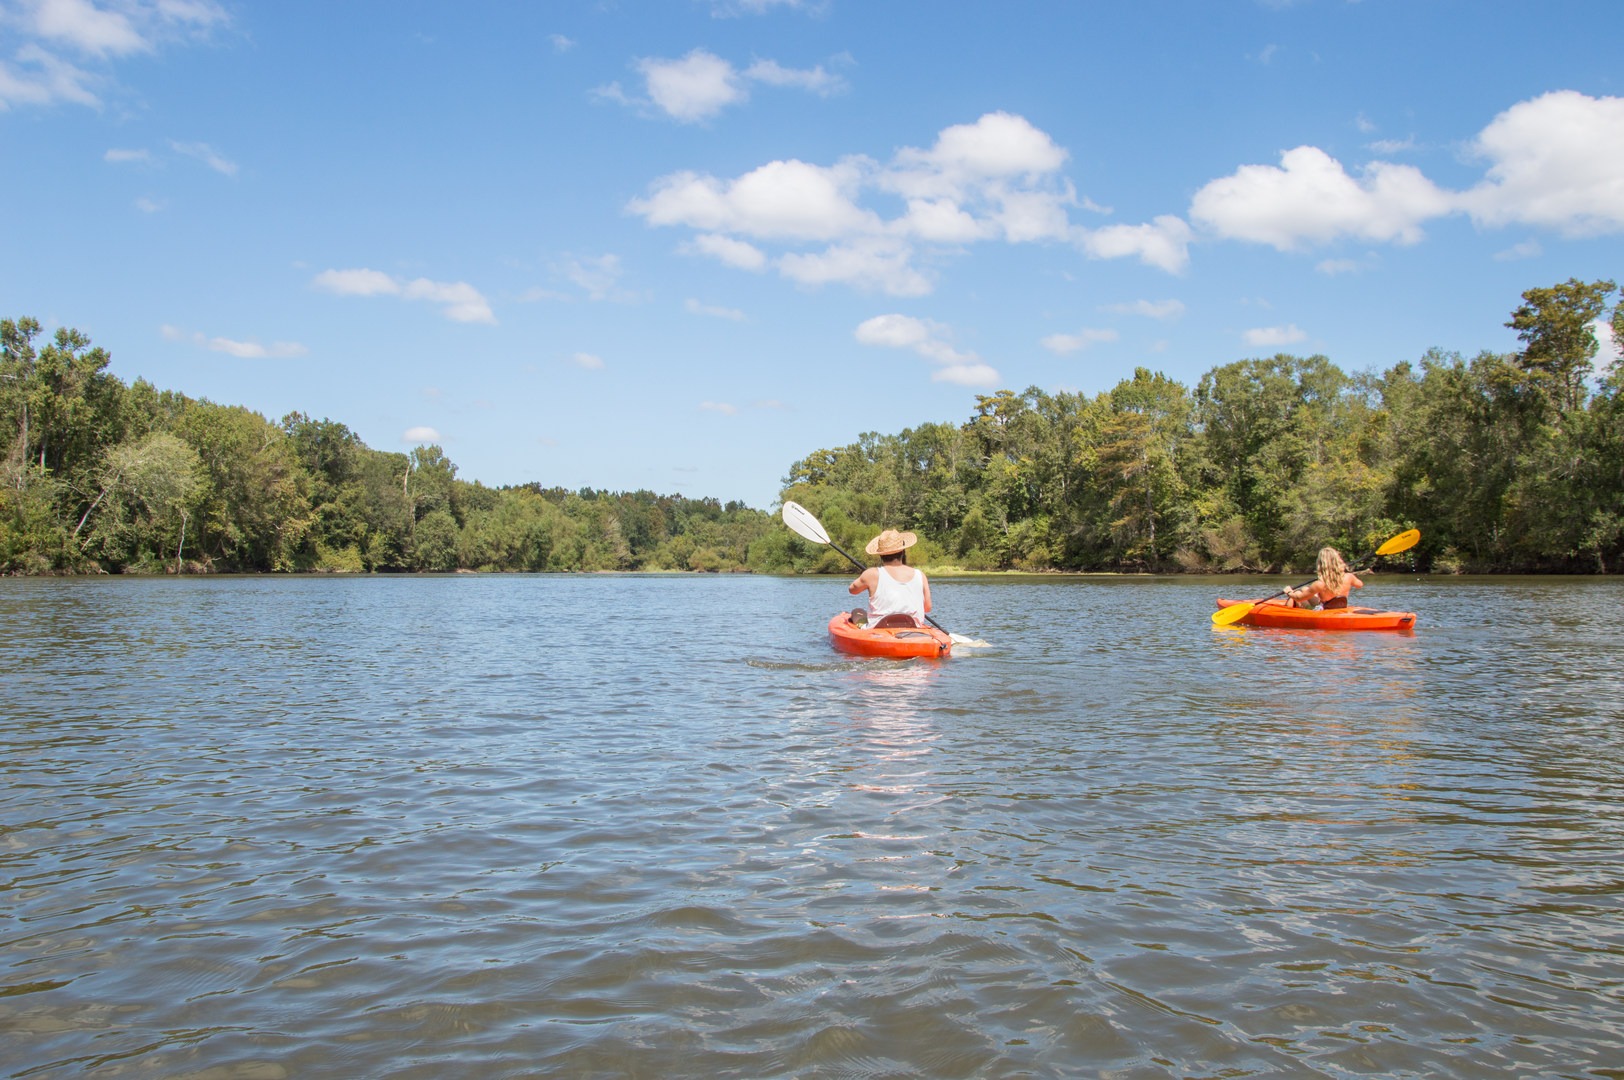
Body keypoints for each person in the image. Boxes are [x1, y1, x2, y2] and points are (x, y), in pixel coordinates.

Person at [848, 528, 932, 628]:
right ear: (903, 552)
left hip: (878, 629)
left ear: (880, 555)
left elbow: (852, 590)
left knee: (857, 611)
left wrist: (866, 579)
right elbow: (927, 608)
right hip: (913, 629)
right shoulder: (920, 575)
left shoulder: (871, 574)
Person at [1285, 546, 1364, 609]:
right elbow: (1360, 585)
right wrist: (1344, 570)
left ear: (1321, 564)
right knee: (1304, 589)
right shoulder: (1349, 577)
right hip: (1340, 608)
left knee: (1296, 594)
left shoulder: (1320, 584)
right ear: (1338, 561)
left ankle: (1286, 617)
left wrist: (1289, 592)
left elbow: (1299, 598)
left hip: (1323, 610)